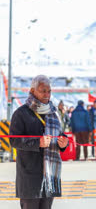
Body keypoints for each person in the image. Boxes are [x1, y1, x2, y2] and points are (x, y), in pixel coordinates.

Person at [9, 75, 69, 209]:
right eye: (43, 90)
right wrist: (38, 142)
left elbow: (60, 135)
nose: (47, 94)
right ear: (32, 91)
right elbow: (13, 140)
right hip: (30, 177)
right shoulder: (21, 113)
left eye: (49, 91)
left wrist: (64, 143)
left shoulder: (53, 113)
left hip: (50, 177)